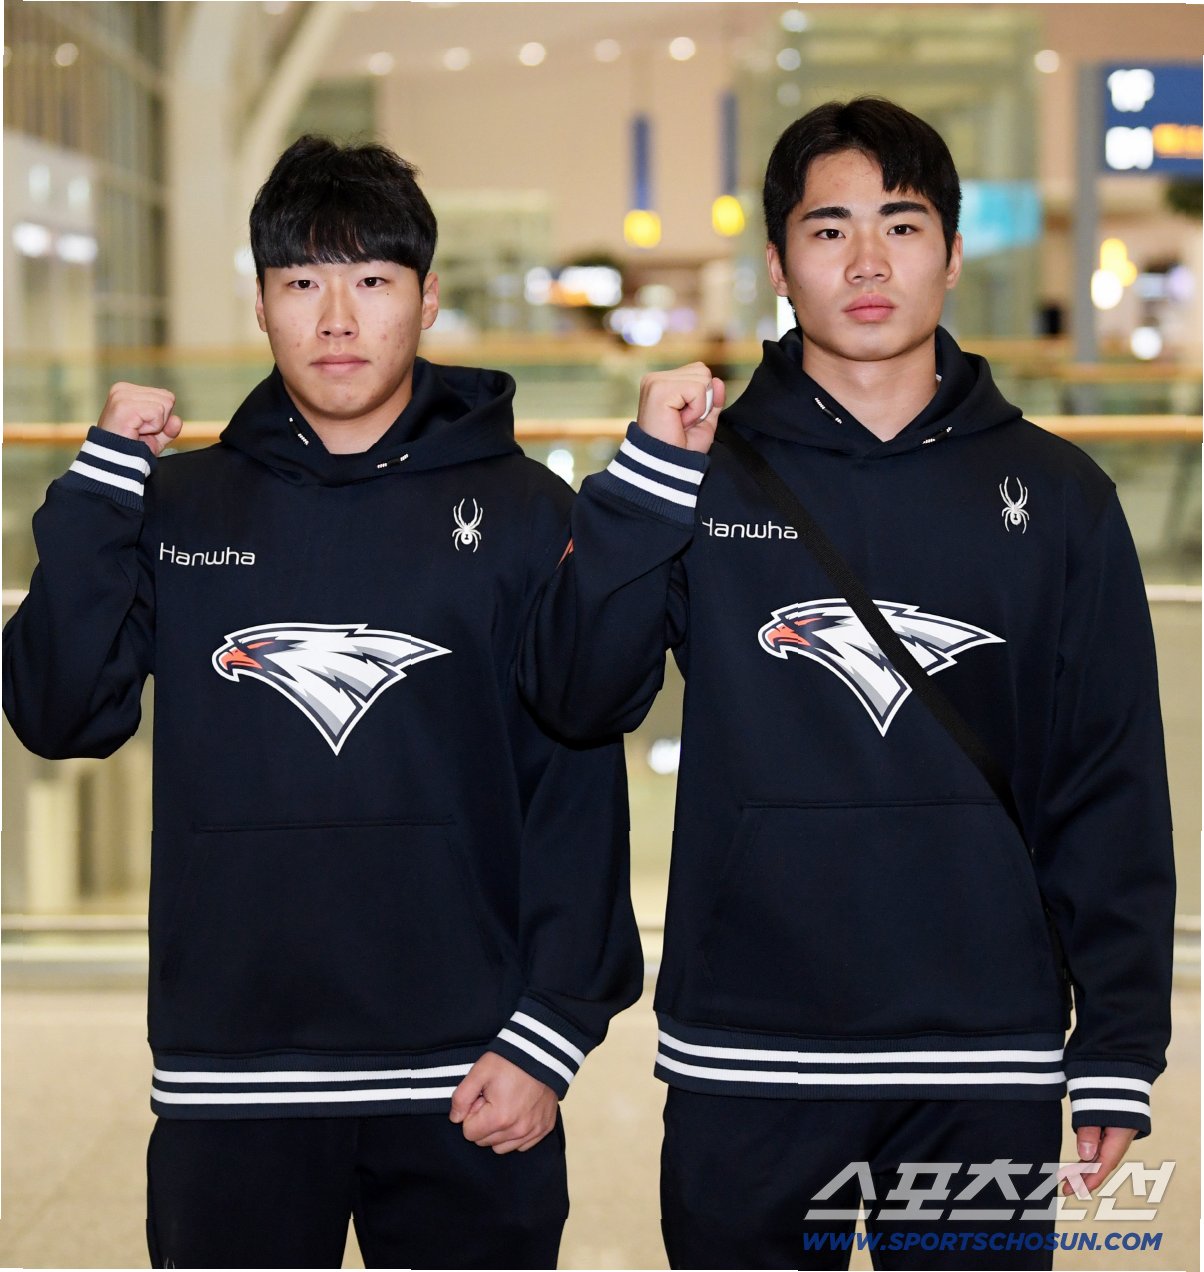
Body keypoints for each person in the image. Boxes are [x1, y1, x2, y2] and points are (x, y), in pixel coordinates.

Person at [520, 98, 1175, 1269]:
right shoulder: (701, 473)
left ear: (952, 253)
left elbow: (1108, 775)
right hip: (748, 1050)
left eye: (902, 225)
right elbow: (576, 695)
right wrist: (644, 483)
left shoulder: (1058, 494)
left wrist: (1118, 1038)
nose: (867, 262)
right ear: (778, 264)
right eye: (828, 230)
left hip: (983, 1051)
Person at [3, 135, 642, 1270]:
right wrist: (100, 491)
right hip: (230, 1075)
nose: (337, 319)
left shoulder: (526, 513)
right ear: (260, 305)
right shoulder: (176, 506)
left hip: (471, 1074)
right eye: (302, 282)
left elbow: (574, 788)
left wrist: (552, 1030)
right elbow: (60, 714)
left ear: (427, 299)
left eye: (373, 280)